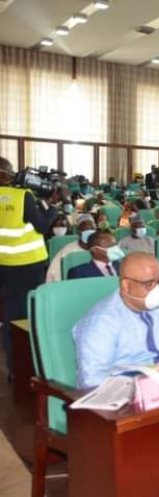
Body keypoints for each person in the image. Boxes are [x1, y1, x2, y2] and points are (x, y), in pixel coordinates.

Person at [72, 252, 159, 388]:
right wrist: (143, 383)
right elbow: (91, 380)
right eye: (149, 283)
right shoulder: (101, 322)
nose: (158, 289)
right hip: (128, 393)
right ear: (126, 285)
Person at [0, 157, 60, 373]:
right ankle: (31, 366)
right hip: (28, 265)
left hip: (3, 265)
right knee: (30, 315)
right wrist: (52, 207)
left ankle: (14, 367)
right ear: (6, 173)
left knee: (10, 315)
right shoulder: (21, 196)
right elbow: (43, 226)